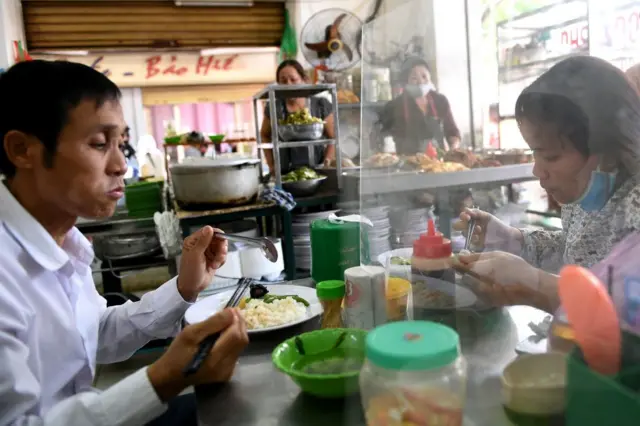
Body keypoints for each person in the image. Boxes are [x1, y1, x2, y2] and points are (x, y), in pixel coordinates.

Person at [0, 60, 249, 426]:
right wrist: (163, 377)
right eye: (99, 143)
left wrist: (183, 289)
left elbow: (94, 332)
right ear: (22, 149)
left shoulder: (61, 238)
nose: (121, 165)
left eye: (122, 143)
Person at [454, 56, 640, 313]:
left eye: (551, 156)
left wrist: (538, 285)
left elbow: (627, 311)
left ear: (605, 152)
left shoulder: (635, 204)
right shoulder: (583, 196)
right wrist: (514, 240)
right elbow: (574, 251)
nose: (537, 170)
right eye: (535, 154)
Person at [259, 59, 336, 175]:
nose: (288, 84)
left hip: (317, 170)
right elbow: (264, 135)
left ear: (303, 80)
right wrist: (272, 165)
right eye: (283, 81)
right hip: (285, 172)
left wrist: (327, 161)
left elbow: (333, 137)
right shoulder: (274, 107)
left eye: (293, 79)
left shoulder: (320, 104)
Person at [378, 56, 460, 154]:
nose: (420, 82)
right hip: (408, 165)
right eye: (414, 78)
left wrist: (454, 148)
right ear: (406, 81)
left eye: (424, 76)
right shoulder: (394, 106)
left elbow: (452, 132)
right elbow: (382, 137)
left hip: (438, 163)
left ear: (430, 77)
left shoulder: (440, 101)